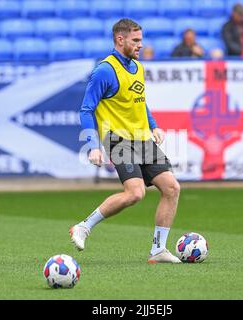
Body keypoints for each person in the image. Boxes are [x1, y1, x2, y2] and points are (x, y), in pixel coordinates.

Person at [73, 18, 181, 264]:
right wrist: (92, 146)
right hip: (118, 139)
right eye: (136, 40)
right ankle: (83, 227)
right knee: (135, 193)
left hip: (143, 138)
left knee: (172, 188)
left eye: (141, 40)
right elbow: (86, 110)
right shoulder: (104, 70)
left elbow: (140, 101)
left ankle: (158, 250)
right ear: (120, 40)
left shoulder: (138, 67)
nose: (140, 45)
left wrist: (153, 126)